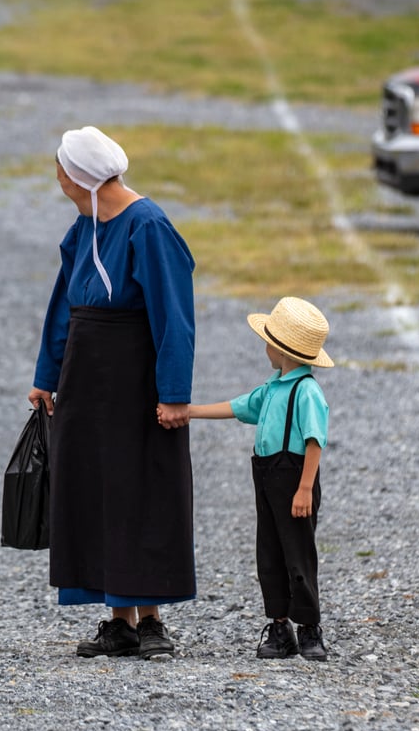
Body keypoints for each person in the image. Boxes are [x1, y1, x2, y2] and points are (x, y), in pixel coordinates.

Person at [28, 126, 196, 660]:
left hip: (135, 377)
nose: (57, 178)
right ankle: (118, 620)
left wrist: (173, 392)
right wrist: (46, 374)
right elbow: (64, 306)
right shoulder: (85, 226)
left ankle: (151, 621)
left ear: (75, 177)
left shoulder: (148, 226)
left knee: (140, 487)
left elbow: (174, 315)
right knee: (95, 488)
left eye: (59, 169)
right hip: (86, 375)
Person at [180, 296, 332, 661]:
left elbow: (314, 441)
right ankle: (280, 627)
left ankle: (310, 628)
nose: (264, 347)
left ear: (280, 349)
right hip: (266, 479)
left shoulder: (306, 391)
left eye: (268, 340)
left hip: (295, 480)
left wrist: (305, 488)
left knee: (298, 555)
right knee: (270, 553)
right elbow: (238, 406)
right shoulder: (272, 389)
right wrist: (191, 412)